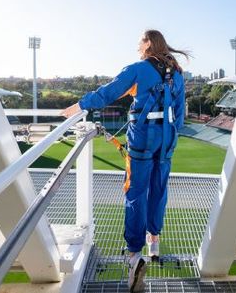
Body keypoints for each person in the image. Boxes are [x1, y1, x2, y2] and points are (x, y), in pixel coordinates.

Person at [61, 29, 188, 292]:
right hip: (167, 139)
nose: (137, 47)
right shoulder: (176, 72)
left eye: (139, 43)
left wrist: (79, 106)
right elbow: (179, 113)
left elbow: (109, 92)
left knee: (135, 192)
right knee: (159, 189)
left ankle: (133, 255)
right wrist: (171, 137)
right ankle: (154, 240)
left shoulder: (139, 68)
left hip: (143, 138)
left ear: (148, 44)